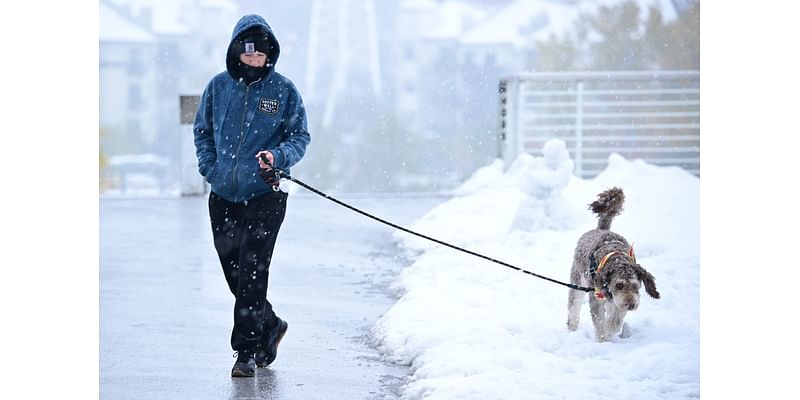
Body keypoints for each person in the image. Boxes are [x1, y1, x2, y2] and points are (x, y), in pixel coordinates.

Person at [193, 14, 311, 378]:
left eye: (261, 55)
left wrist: (277, 157)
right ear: (236, 53)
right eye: (248, 55)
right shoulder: (217, 88)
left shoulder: (283, 91)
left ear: (269, 55)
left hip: (266, 193)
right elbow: (203, 132)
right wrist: (210, 168)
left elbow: (299, 138)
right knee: (234, 271)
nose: (254, 60)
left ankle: (246, 351)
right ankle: (270, 324)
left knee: (253, 270)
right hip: (224, 195)